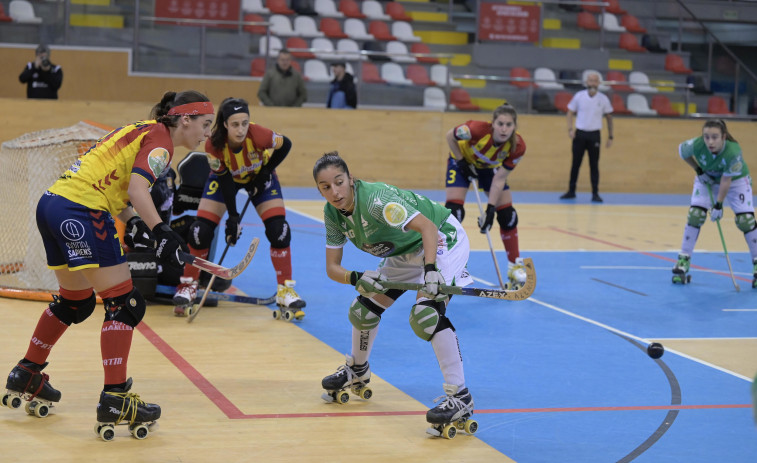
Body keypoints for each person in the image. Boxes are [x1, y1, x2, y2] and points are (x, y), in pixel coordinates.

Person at [3, 91, 214, 435]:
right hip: (81, 210)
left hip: (53, 204)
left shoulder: (142, 129)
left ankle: (27, 372)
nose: (207, 134)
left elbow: (111, 183)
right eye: (205, 124)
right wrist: (161, 231)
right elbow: (135, 188)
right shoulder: (162, 143)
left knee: (75, 302)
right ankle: (116, 398)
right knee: (126, 305)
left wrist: (132, 221)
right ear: (184, 119)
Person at [314, 152, 476, 433]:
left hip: (440, 238)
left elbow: (427, 226)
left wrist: (431, 270)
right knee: (362, 310)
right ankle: (358, 371)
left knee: (426, 316)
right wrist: (356, 277)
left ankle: (459, 396)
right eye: (325, 187)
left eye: (339, 182)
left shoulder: (377, 202)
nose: (335, 192)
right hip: (404, 250)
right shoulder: (332, 214)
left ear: (350, 180)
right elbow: (332, 268)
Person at [172, 97, 306, 316]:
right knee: (200, 231)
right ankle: (188, 285)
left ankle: (285, 290)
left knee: (279, 230)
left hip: (259, 177)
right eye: (235, 124)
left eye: (245, 123)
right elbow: (224, 181)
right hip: (227, 180)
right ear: (224, 124)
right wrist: (233, 219)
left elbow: (286, 144)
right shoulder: (213, 145)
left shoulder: (259, 135)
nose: (241, 129)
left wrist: (265, 171)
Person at [444, 103, 529, 289]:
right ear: (493, 124)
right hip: (461, 163)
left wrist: (490, 209)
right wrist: (461, 162)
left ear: (515, 126)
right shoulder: (475, 130)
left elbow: (499, 179)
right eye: (500, 124)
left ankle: (515, 266)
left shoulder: (518, 147)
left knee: (508, 216)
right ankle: (443, 266)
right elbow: (450, 135)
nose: (504, 129)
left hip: (489, 170)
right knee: (454, 213)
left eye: (509, 124)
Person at [671, 119, 757, 288]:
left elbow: (726, 180)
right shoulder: (696, 144)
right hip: (707, 178)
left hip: (735, 180)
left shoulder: (733, 152)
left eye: (715, 137)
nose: (710, 141)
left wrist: (718, 205)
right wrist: (698, 170)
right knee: (695, 215)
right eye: (706, 137)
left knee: (746, 220)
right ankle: (683, 260)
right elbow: (682, 152)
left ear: (724, 137)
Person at [560, 71, 614, 203]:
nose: (592, 83)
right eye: (590, 80)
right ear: (586, 82)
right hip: (580, 134)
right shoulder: (579, 96)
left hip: (595, 134)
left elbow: (609, 117)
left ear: (599, 83)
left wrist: (611, 136)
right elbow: (569, 112)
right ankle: (571, 191)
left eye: (595, 81)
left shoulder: (603, 99)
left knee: (594, 165)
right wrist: (570, 129)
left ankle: (595, 193)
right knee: (576, 164)